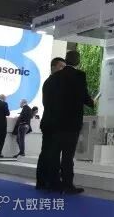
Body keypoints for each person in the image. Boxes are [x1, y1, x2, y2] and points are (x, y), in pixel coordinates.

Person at [41, 51, 94, 194]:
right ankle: (67, 184)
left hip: (55, 123)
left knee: (54, 154)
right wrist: (92, 102)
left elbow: (47, 101)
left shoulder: (54, 78)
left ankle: (53, 183)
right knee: (68, 156)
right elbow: (83, 96)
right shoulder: (79, 75)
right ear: (78, 61)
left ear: (66, 60)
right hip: (71, 123)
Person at [36, 57, 66, 190]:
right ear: (53, 67)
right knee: (51, 153)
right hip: (52, 123)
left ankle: (43, 181)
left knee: (47, 152)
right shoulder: (53, 82)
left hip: (49, 122)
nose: (63, 70)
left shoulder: (50, 82)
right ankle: (51, 181)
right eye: (61, 67)